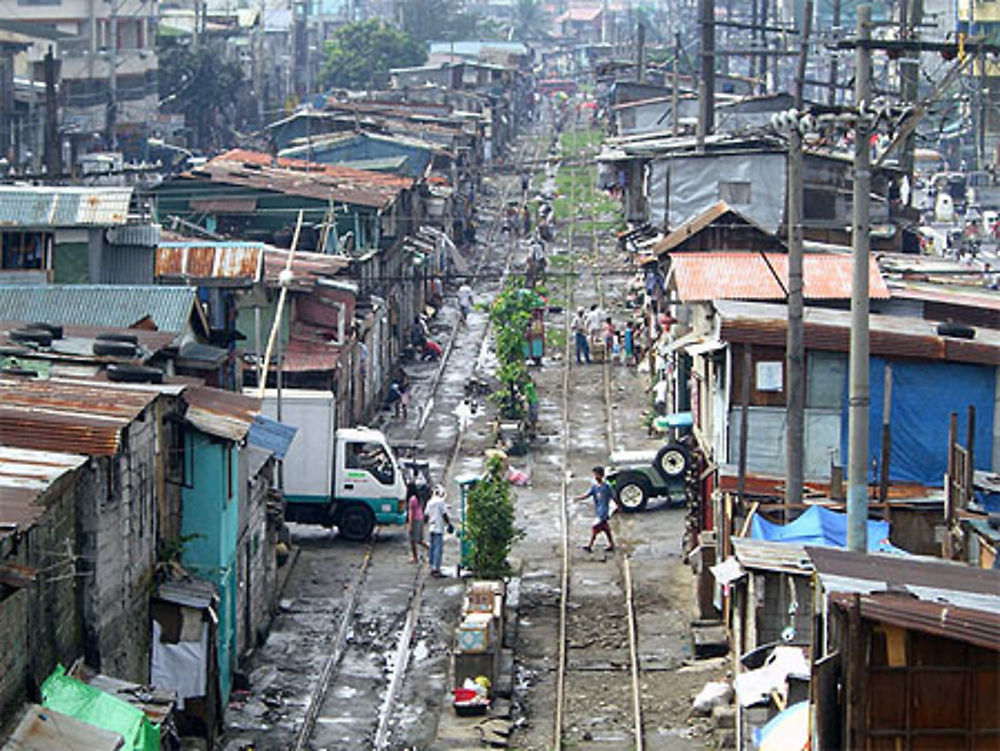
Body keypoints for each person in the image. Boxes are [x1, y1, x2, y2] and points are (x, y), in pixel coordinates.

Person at [574, 466, 618, 553]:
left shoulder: (606, 487)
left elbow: (614, 497)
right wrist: (578, 498)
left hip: (603, 512)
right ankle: (611, 544)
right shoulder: (595, 487)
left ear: (601, 475)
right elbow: (587, 495)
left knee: (595, 528)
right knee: (606, 529)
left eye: (596, 474)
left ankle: (590, 546)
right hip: (599, 511)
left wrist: (617, 506)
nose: (595, 477)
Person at [425, 484, 454, 576]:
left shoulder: (430, 502)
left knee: (432, 548)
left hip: (431, 527)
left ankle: (431, 566)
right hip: (438, 527)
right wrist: (449, 524)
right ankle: (436, 568)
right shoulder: (440, 502)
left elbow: (426, 515)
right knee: (438, 548)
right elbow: (444, 514)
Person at [406, 483, 427, 563]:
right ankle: (429, 549)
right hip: (420, 519)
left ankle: (415, 558)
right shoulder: (418, 498)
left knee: (413, 541)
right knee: (419, 540)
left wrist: (410, 525)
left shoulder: (412, 499)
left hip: (415, 520)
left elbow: (411, 513)